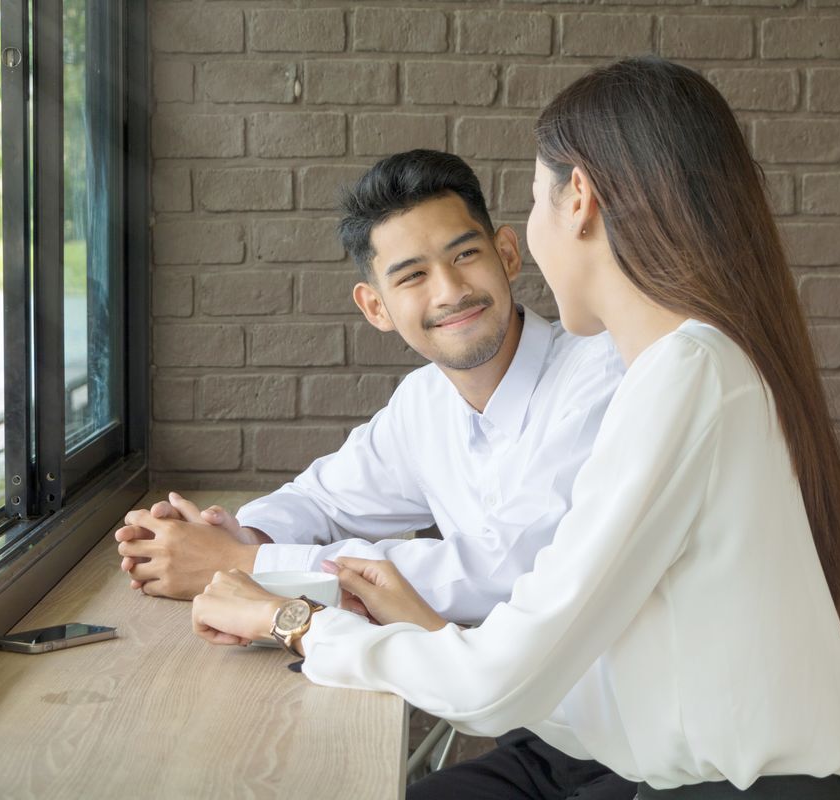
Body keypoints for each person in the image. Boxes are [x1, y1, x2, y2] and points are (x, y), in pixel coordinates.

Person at [182, 57, 840, 799]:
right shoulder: (688, 367)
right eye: (412, 275)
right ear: (375, 302)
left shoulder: (684, 377)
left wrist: (288, 618)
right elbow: (544, 686)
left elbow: (500, 684)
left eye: (533, 202)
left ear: (577, 199)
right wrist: (416, 623)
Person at [121, 151, 637, 798]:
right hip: (542, 738)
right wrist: (233, 538)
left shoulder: (599, 374)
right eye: (413, 275)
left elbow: (507, 568)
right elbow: (322, 498)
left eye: (465, 255)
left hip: (637, 753)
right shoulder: (424, 404)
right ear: (376, 307)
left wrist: (251, 570)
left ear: (507, 255)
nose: (449, 290)